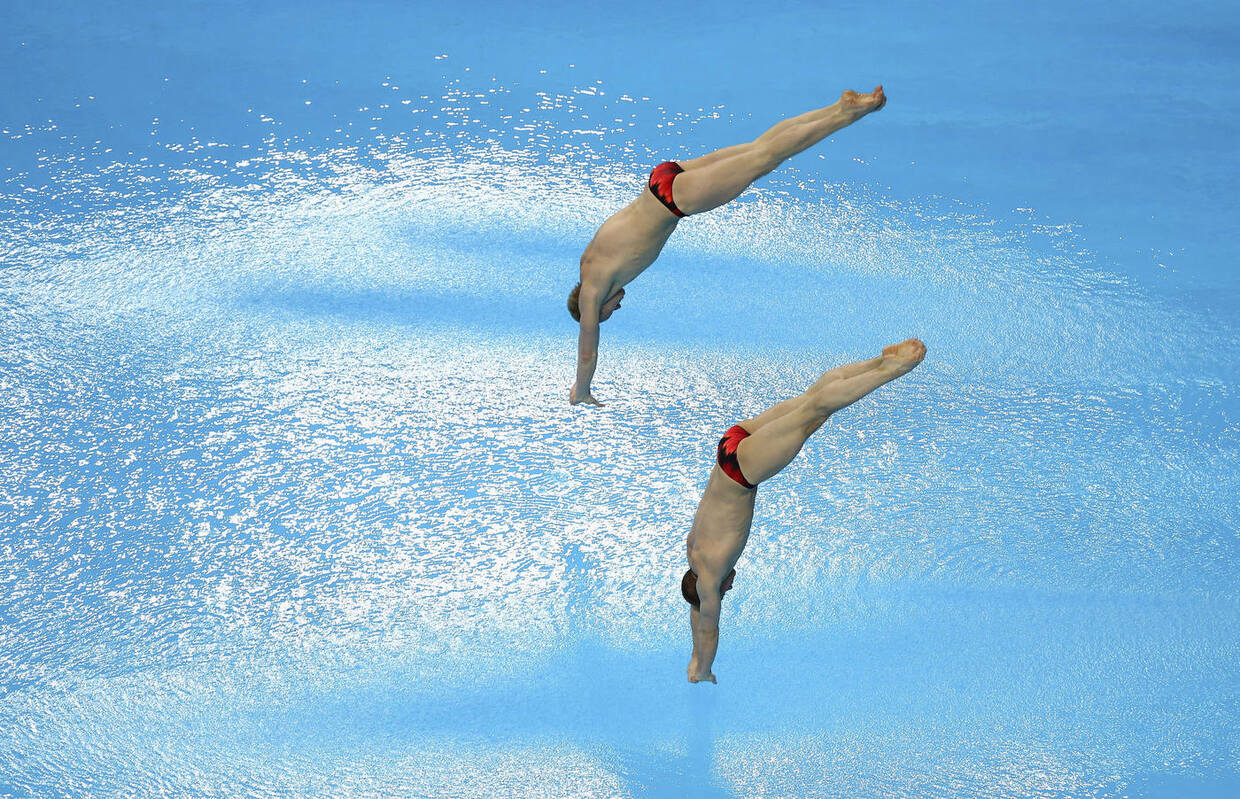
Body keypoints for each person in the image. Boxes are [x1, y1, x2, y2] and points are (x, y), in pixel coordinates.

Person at [567, 86, 888, 406]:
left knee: (766, 157)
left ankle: (846, 115)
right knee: (759, 150)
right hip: (662, 179)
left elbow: (587, 350)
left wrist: (582, 389)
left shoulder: (593, 291)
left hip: (674, 200)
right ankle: (836, 107)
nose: (615, 309)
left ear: (588, 306)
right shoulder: (589, 263)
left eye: (607, 313)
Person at [682, 338, 926, 683]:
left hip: (743, 469)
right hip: (730, 446)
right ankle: (878, 360)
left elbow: (707, 626)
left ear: (715, 589)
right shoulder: (693, 555)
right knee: (811, 402)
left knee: (813, 410)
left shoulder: (710, 577)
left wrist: (704, 669)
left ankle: (892, 369)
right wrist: (692, 660)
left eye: (725, 590)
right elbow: (696, 613)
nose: (730, 586)